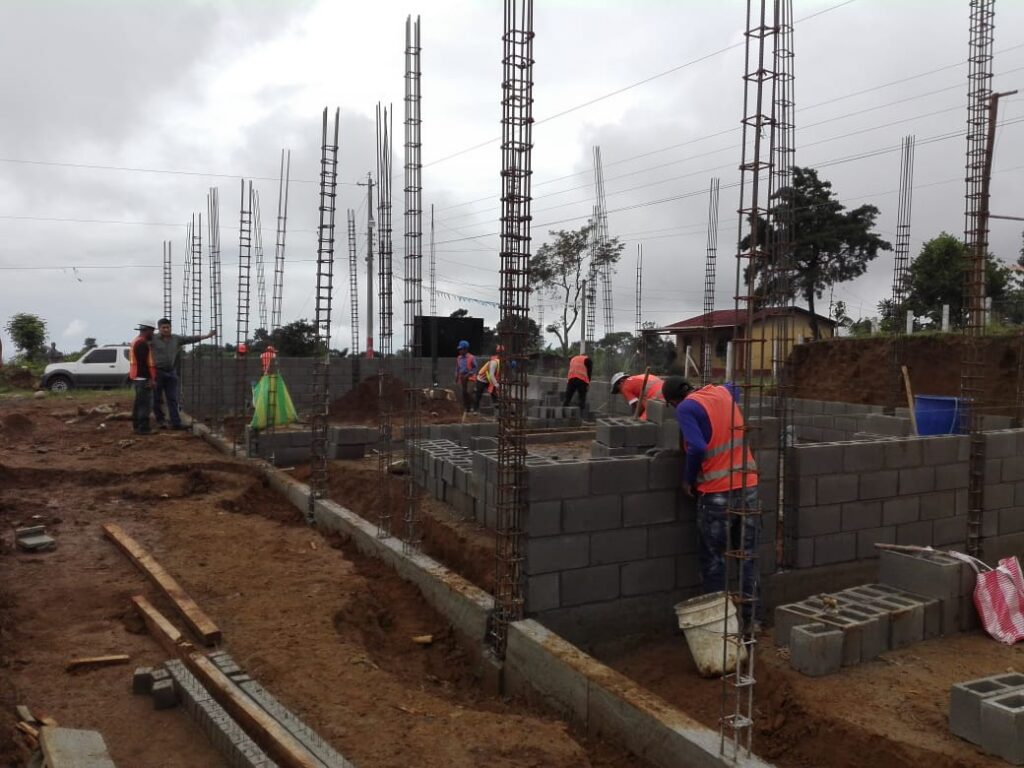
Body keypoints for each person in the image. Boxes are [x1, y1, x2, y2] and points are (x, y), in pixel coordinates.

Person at [662, 376, 760, 628]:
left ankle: (721, 627)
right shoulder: (722, 392)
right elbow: (736, 385)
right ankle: (750, 623)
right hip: (748, 487)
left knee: (714, 560)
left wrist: (687, 480)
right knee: (747, 556)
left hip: (717, 493)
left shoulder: (686, 407)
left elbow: (696, 447)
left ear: (674, 400)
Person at [151, 318, 215, 430]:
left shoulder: (176, 338)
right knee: (156, 398)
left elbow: (191, 339)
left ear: (170, 327)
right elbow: (142, 343)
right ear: (159, 328)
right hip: (158, 372)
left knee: (173, 398)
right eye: (163, 327)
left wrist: (207, 336)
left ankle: (175, 422)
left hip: (171, 372)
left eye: (168, 327)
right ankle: (160, 420)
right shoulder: (154, 339)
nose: (166, 329)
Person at [129, 320, 158, 435]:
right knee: (145, 405)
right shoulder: (142, 343)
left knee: (138, 404)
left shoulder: (136, 341)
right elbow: (143, 364)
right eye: (152, 331)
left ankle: (136, 426)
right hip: (143, 378)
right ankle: (143, 428)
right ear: (147, 330)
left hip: (137, 377)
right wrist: (151, 379)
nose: (153, 334)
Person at [474, 346, 502, 412]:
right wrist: (497, 385)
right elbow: (491, 375)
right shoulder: (494, 362)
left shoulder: (501, 361)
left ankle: (497, 411)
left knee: (494, 394)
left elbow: (497, 374)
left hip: (490, 380)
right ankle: (475, 410)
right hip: (481, 379)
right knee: (478, 394)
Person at [454, 340, 477, 412]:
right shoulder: (459, 358)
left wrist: (469, 373)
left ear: (466, 349)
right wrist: (456, 377)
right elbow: (457, 368)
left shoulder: (471, 357)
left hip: (470, 376)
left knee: (469, 391)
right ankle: (467, 408)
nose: (460, 351)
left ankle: (474, 406)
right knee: (463, 393)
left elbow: (475, 368)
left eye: (461, 349)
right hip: (462, 377)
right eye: (459, 349)